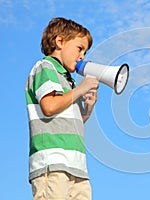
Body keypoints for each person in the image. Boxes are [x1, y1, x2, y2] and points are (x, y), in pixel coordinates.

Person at [25, 17, 99, 199]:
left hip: (77, 166)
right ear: (59, 42)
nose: (82, 56)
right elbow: (49, 107)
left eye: (85, 51)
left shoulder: (68, 81)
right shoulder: (45, 67)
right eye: (80, 48)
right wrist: (81, 89)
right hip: (53, 163)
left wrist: (87, 108)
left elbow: (71, 123)